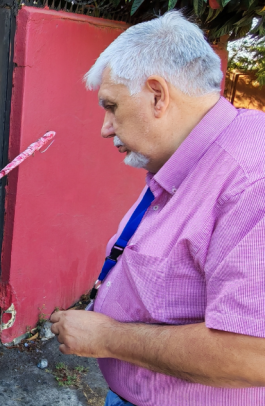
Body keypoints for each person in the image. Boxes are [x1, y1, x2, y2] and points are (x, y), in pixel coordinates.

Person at [49, 11, 265, 406]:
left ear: (158, 95)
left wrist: (108, 337)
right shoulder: (187, 159)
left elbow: (253, 353)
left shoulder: (252, 180)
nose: (105, 127)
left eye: (111, 106)